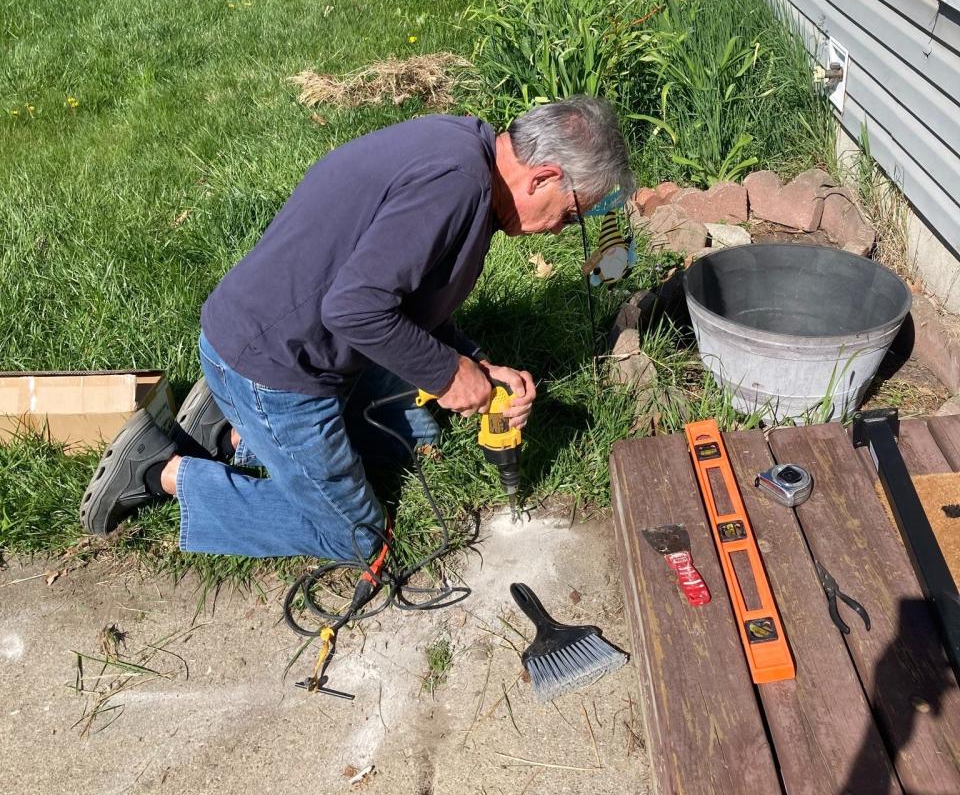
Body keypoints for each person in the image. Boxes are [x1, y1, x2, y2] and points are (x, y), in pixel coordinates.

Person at [80, 95, 633, 561]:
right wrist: (447, 375)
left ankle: (228, 433)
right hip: (278, 367)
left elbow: (405, 296)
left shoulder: (468, 150)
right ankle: (161, 470)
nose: (564, 228)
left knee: (415, 437)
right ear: (545, 176)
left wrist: (474, 361)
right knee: (355, 535)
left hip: (276, 338)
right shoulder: (456, 186)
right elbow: (354, 309)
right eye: (573, 212)